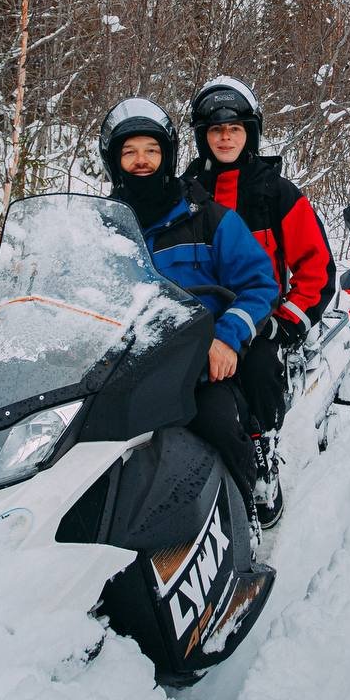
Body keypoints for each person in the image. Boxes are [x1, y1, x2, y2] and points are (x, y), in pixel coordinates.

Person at [98, 97, 279, 534]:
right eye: (129, 152)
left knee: (218, 425)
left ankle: (242, 514)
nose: (141, 161)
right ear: (114, 160)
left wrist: (226, 336)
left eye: (151, 150)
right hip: (123, 364)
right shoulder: (103, 228)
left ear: (168, 155)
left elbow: (260, 285)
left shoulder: (209, 219)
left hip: (195, 365)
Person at [185, 76, 336, 528]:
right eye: (215, 129)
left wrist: (287, 320)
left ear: (250, 131)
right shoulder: (189, 193)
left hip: (262, 318)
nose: (225, 137)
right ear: (202, 137)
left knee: (258, 369)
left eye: (235, 128)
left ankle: (263, 452)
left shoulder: (277, 193)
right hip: (200, 321)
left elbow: (316, 265)